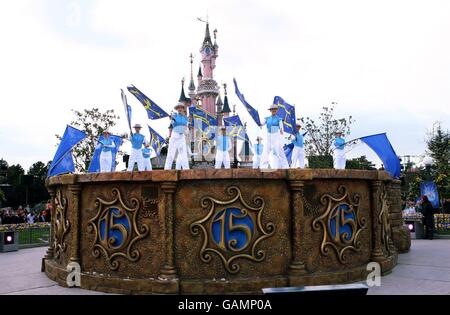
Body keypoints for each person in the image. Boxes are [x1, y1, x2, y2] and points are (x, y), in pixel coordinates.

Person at [260, 104, 286, 169]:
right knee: (266, 150)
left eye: (274, 110)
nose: (273, 111)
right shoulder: (267, 118)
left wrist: (281, 130)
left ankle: (282, 166)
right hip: (269, 135)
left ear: (276, 110)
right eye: (272, 110)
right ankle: (263, 166)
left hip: (275, 134)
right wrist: (257, 121)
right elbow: (261, 124)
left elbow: (281, 126)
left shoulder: (279, 119)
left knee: (278, 150)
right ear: (270, 111)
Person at [165, 102, 190, 170]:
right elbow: (172, 123)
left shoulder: (185, 118)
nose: (179, 109)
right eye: (178, 108)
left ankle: (186, 169)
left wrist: (186, 130)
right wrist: (172, 119)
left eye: (181, 107)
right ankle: (167, 169)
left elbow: (186, 126)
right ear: (177, 109)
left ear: (182, 109)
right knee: (171, 152)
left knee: (183, 154)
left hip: (182, 136)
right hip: (175, 135)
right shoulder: (174, 115)